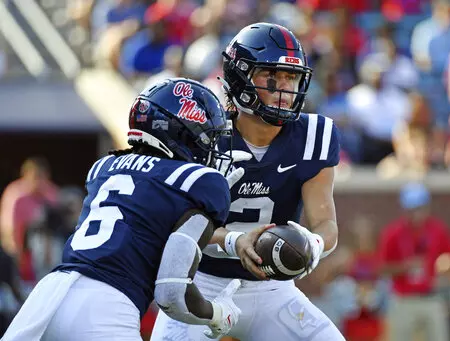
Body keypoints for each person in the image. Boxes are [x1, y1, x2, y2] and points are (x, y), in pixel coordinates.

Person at [2, 78, 245, 341]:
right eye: (209, 138)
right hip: (105, 307)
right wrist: (218, 314)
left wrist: (231, 240)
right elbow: (172, 293)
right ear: (185, 133)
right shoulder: (200, 183)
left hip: (48, 296)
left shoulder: (105, 166)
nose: (212, 148)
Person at [151, 22, 345, 341]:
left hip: (274, 290)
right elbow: (177, 223)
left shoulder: (314, 136)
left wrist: (314, 243)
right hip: (201, 282)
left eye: (291, 77)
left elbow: (326, 222)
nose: (285, 89)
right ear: (240, 78)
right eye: (272, 76)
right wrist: (232, 241)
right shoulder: (204, 135)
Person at [378, 182, 450, 341]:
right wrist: (404, 267)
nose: (415, 214)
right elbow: (381, 268)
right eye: (411, 209)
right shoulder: (393, 233)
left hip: (432, 297)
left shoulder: (437, 229)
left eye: (419, 208)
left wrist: (446, 269)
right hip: (403, 299)